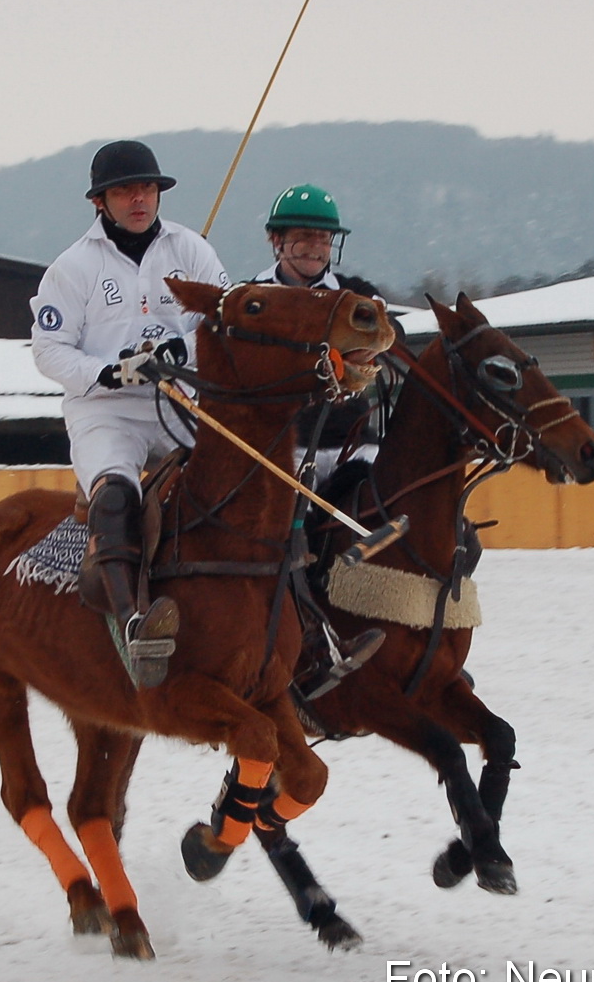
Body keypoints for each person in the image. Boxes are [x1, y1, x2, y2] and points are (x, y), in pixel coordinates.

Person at [28, 139, 231, 684]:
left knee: (234, 483)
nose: (137, 199)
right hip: (106, 410)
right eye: (123, 191)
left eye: (145, 188)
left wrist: (176, 353)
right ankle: (136, 624)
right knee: (116, 495)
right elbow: (48, 350)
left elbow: (221, 323)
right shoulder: (72, 267)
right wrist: (106, 373)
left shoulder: (192, 251)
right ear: (101, 202)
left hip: (180, 399)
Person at [252, 184, 390, 489]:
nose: (316, 246)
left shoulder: (356, 292)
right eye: (304, 236)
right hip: (283, 447)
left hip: (355, 445)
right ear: (277, 239)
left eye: (324, 238)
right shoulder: (251, 298)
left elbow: (390, 333)